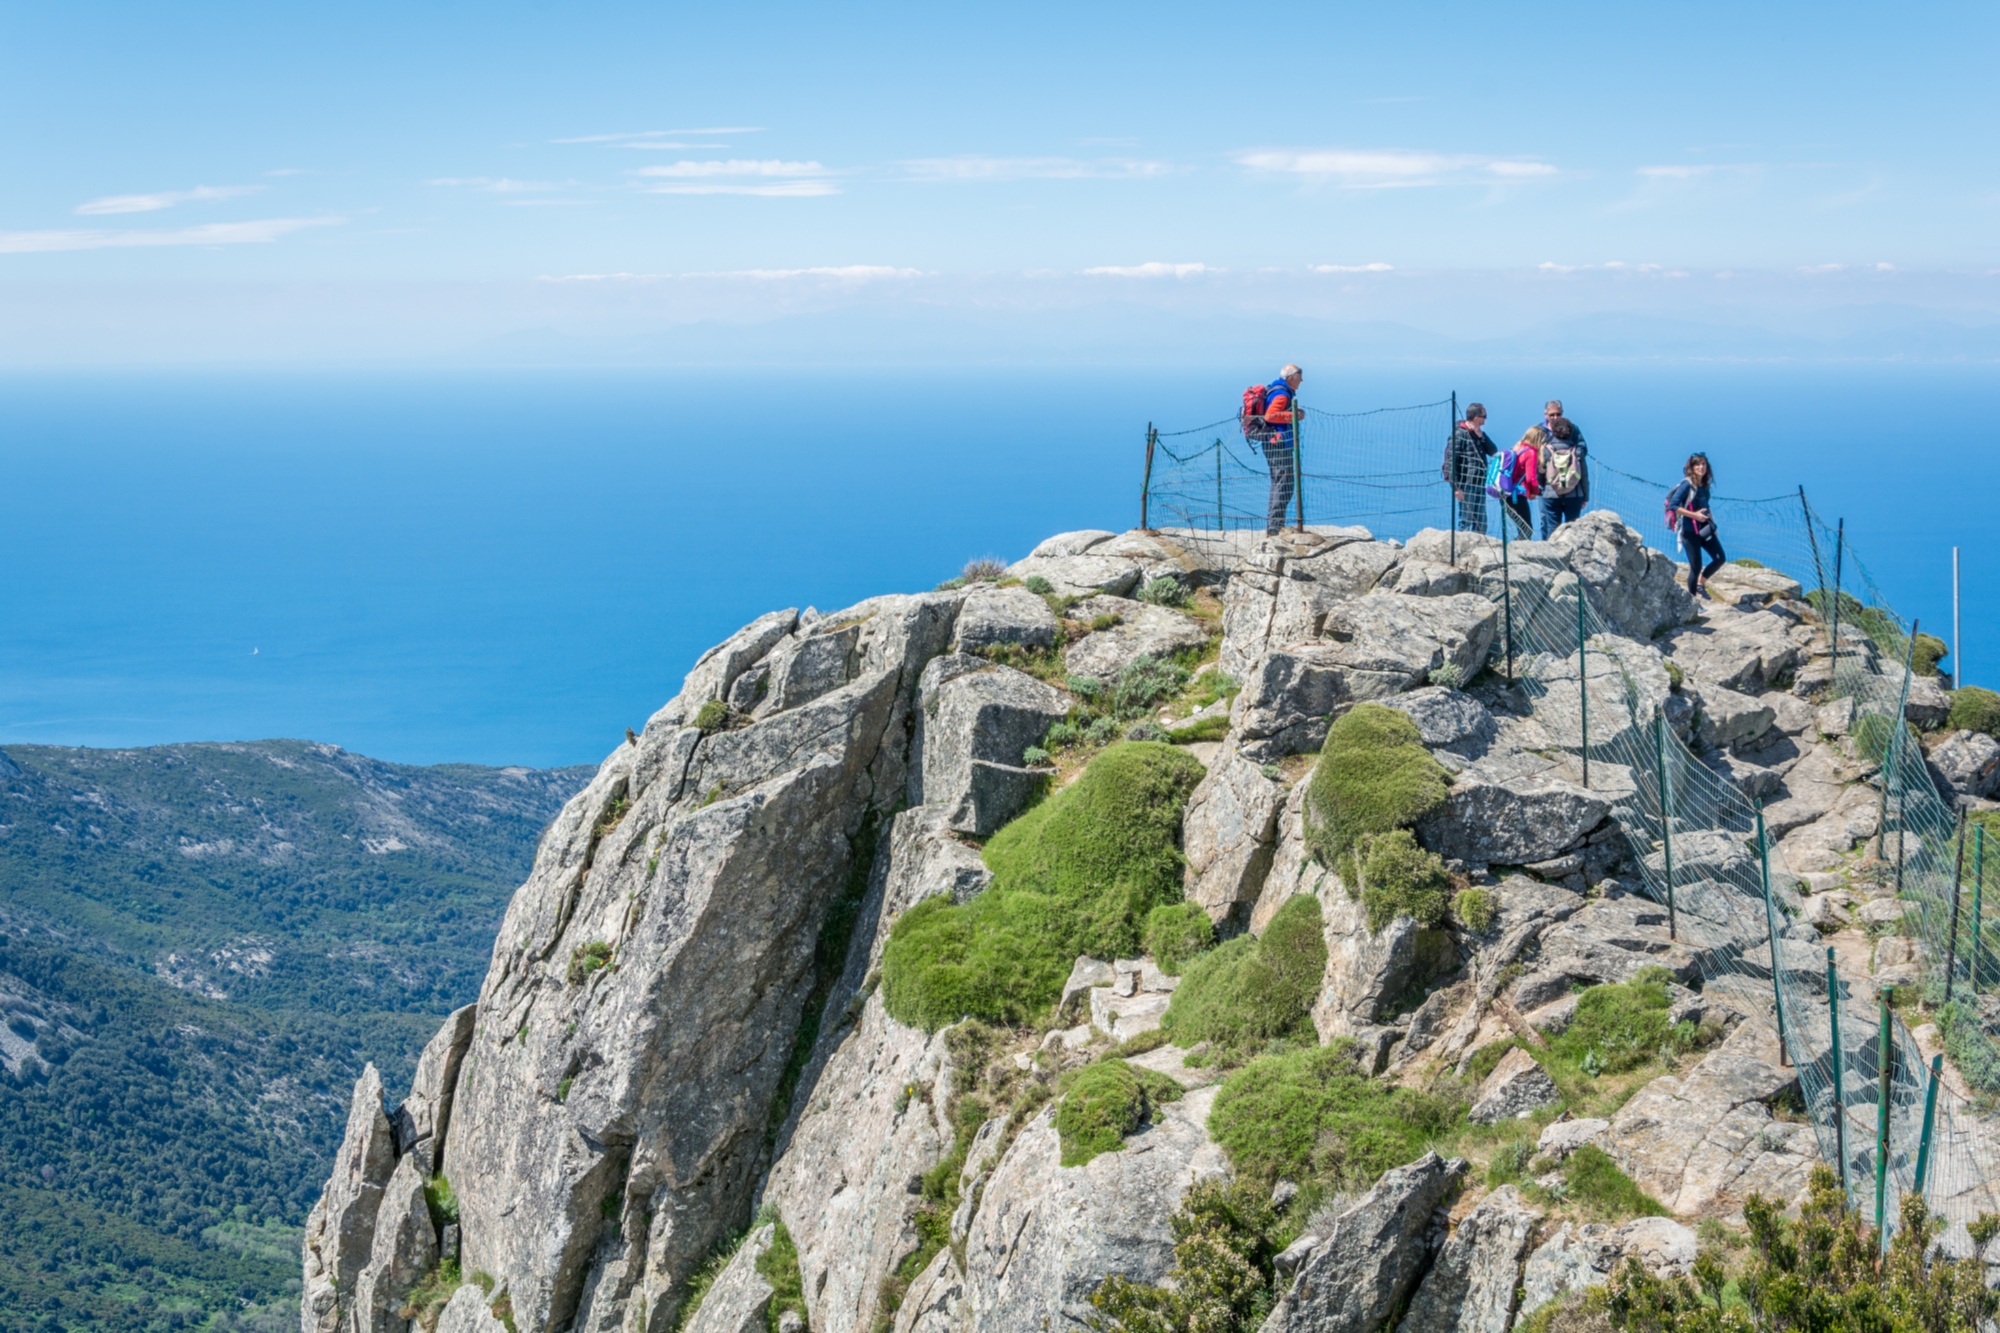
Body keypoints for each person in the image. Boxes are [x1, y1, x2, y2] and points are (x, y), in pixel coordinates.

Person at [1666, 452, 1725, 600]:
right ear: (1691, 467)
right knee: (1696, 567)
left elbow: (1706, 506)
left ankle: (1700, 584)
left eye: (1704, 464)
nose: (1701, 467)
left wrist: (1713, 525)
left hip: (1705, 529)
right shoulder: (1687, 484)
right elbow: (1673, 506)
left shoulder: (1704, 486)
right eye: (1697, 464)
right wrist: (1694, 515)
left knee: (1720, 558)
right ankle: (1692, 603)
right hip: (1689, 531)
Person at [1258, 364, 1303, 536]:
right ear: (1291, 377)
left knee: (1279, 484)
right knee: (1283, 485)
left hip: (1273, 443)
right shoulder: (1283, 394)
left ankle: (1274, 525)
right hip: (1278, 444)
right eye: (1299, 376)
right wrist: (1294, 415)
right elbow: (1270, 416)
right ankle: (1275, 527)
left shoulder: (1277, 389)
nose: (1302, 380)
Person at [1443, 402, 1498, 534]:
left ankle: (1481, 548)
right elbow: (1451, 461)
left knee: (1481, 522)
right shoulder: (1459, 434)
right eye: (1484, 416)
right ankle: (1462, 550)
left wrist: (1481, 436)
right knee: (1466, 520)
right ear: (1476, 417)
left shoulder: (1478, 434)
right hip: (1466, 483)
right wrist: (1456, 487)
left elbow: (1493, 451)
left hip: (1479, 481)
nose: (1485, 419)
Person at [1537, 416, 1589, 537]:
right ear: (1571, 432)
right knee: (1573, 528)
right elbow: (1584, 476)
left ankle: (1552, 554)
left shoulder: (1546, 451)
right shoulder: (1577, 451)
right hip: (1575, 494)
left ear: (1553, 431)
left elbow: (1540, 473)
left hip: (1551, 494)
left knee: (1552, 528)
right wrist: (1585, 497)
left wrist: (1543, 488)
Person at [1491, 425, 1544, 539]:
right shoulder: (1531, 453)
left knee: (1522, 529)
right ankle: (1517, 554)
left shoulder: (1517, 448)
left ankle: (1514, 551)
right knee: (1527, 530)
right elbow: (1531, 478)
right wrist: (1535, 491)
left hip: (1506, 495)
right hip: (1516, 496)